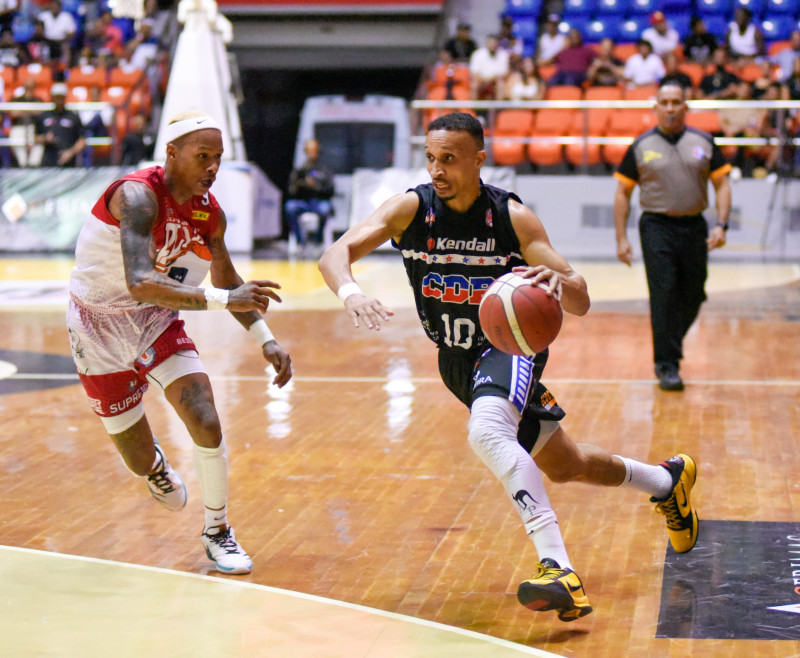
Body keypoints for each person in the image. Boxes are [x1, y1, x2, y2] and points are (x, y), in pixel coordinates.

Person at [318, 111, 700, 621]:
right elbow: (336, 253)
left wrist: (564, 283)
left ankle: (558, 568)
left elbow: (581, 300)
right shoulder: (412, 209)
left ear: (480, 159)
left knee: (487, 434)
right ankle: (665, 481)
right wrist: (350, 290)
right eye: (431, 158)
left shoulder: (511, 216)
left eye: (449, 159)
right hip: (456, 363)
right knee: (566, 466)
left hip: (510, 349)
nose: (437, 170)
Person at [66, 109, 293, 575]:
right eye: (202, 155)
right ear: (172, 154)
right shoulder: (137, 196)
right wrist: (225, 297)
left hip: (154, 321)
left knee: (206, 419)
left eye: (219, 158)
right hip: (97, 326)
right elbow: (141, 282)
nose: (212, 167)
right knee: (135, 458)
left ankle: (217, 532)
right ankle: (154, 469)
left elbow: (228, 281)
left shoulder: (209, 213)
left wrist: (265, 338)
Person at [614, 83, 731, 391]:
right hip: (656, 226)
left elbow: (722, 184)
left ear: (685, 106)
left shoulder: (704, 142)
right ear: (656, 107)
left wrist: (721, 224)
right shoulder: (641, 145)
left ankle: (670, 343)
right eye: (664, 102)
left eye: (675, 102)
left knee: (694, 293)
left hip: (694, 226)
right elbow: (623, 193)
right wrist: (621, 239)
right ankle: (667, 364)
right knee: (664, 293)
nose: (669, 108)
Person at [284, 137, 335, 251]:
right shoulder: (301, 169)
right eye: (309, 150)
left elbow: (331, 189)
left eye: (314, 150)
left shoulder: (324, 169)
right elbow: (291, 190)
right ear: (306, 151)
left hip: (319, 201)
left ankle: (318, 240)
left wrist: (316, 187)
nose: (312, 153)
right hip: (303, 202)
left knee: (325, 209)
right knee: (290, 207)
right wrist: (299, 186)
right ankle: (300, 241)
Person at [34, 82, 85, 167]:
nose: (59, 100)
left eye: (61, 97)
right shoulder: (44, 116)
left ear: (65, 97)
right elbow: (35, 137)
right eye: (56, 97)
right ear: (52, 97)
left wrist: (70, 152)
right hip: (49, 161)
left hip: (69, 163)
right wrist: (45, 138)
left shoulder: (73, 116)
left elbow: (82, 140)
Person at [469, 34, 510, 100]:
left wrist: (490, 80)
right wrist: (485, 81)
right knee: (474, 84)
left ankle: (498, 108)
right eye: (491, 43)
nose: (493, 45)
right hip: (481, 80)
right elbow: (475, 73)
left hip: (495, 81)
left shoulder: (503, 54)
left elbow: (503, 74)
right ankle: (474, 109)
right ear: (487, 43)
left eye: (495, 43)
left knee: (501, 84)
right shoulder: (477, 54)